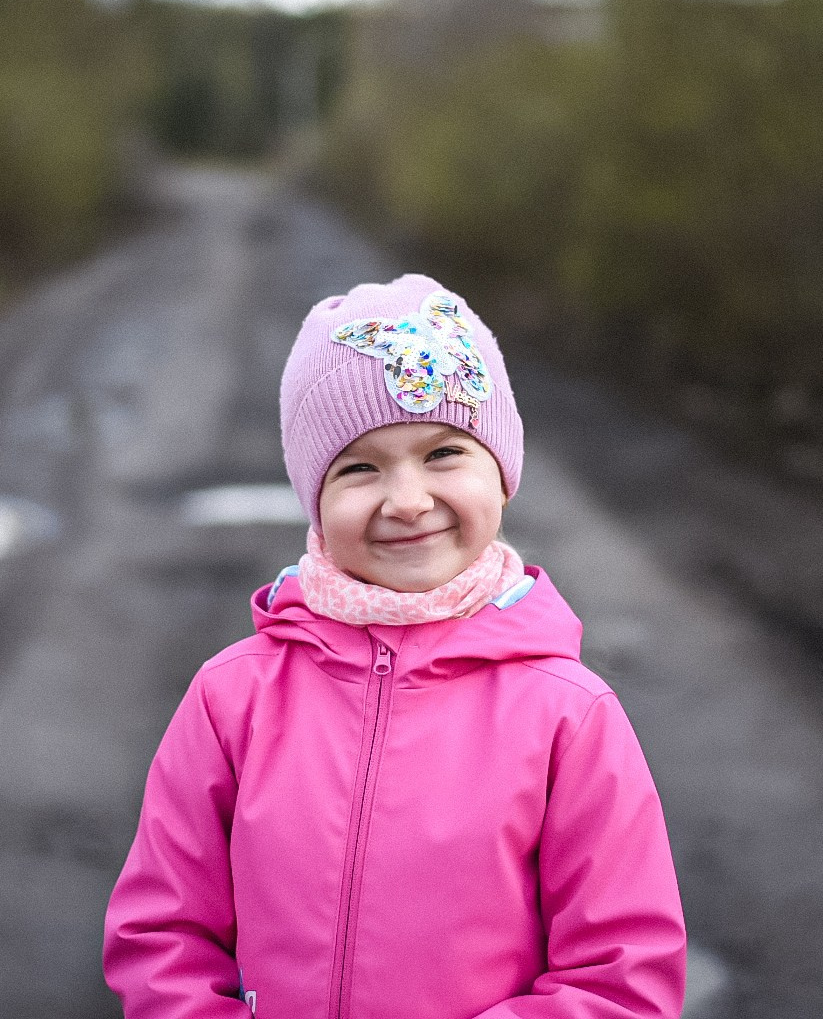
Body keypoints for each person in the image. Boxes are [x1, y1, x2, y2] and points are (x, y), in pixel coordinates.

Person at [103, 274, 687, 1019]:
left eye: (443, 453)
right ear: (314, 500)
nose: (407, 500)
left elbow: (621, 978)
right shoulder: (231, 697)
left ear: (501, 476)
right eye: (359, 468)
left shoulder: (568, 715)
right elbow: (163, 934)